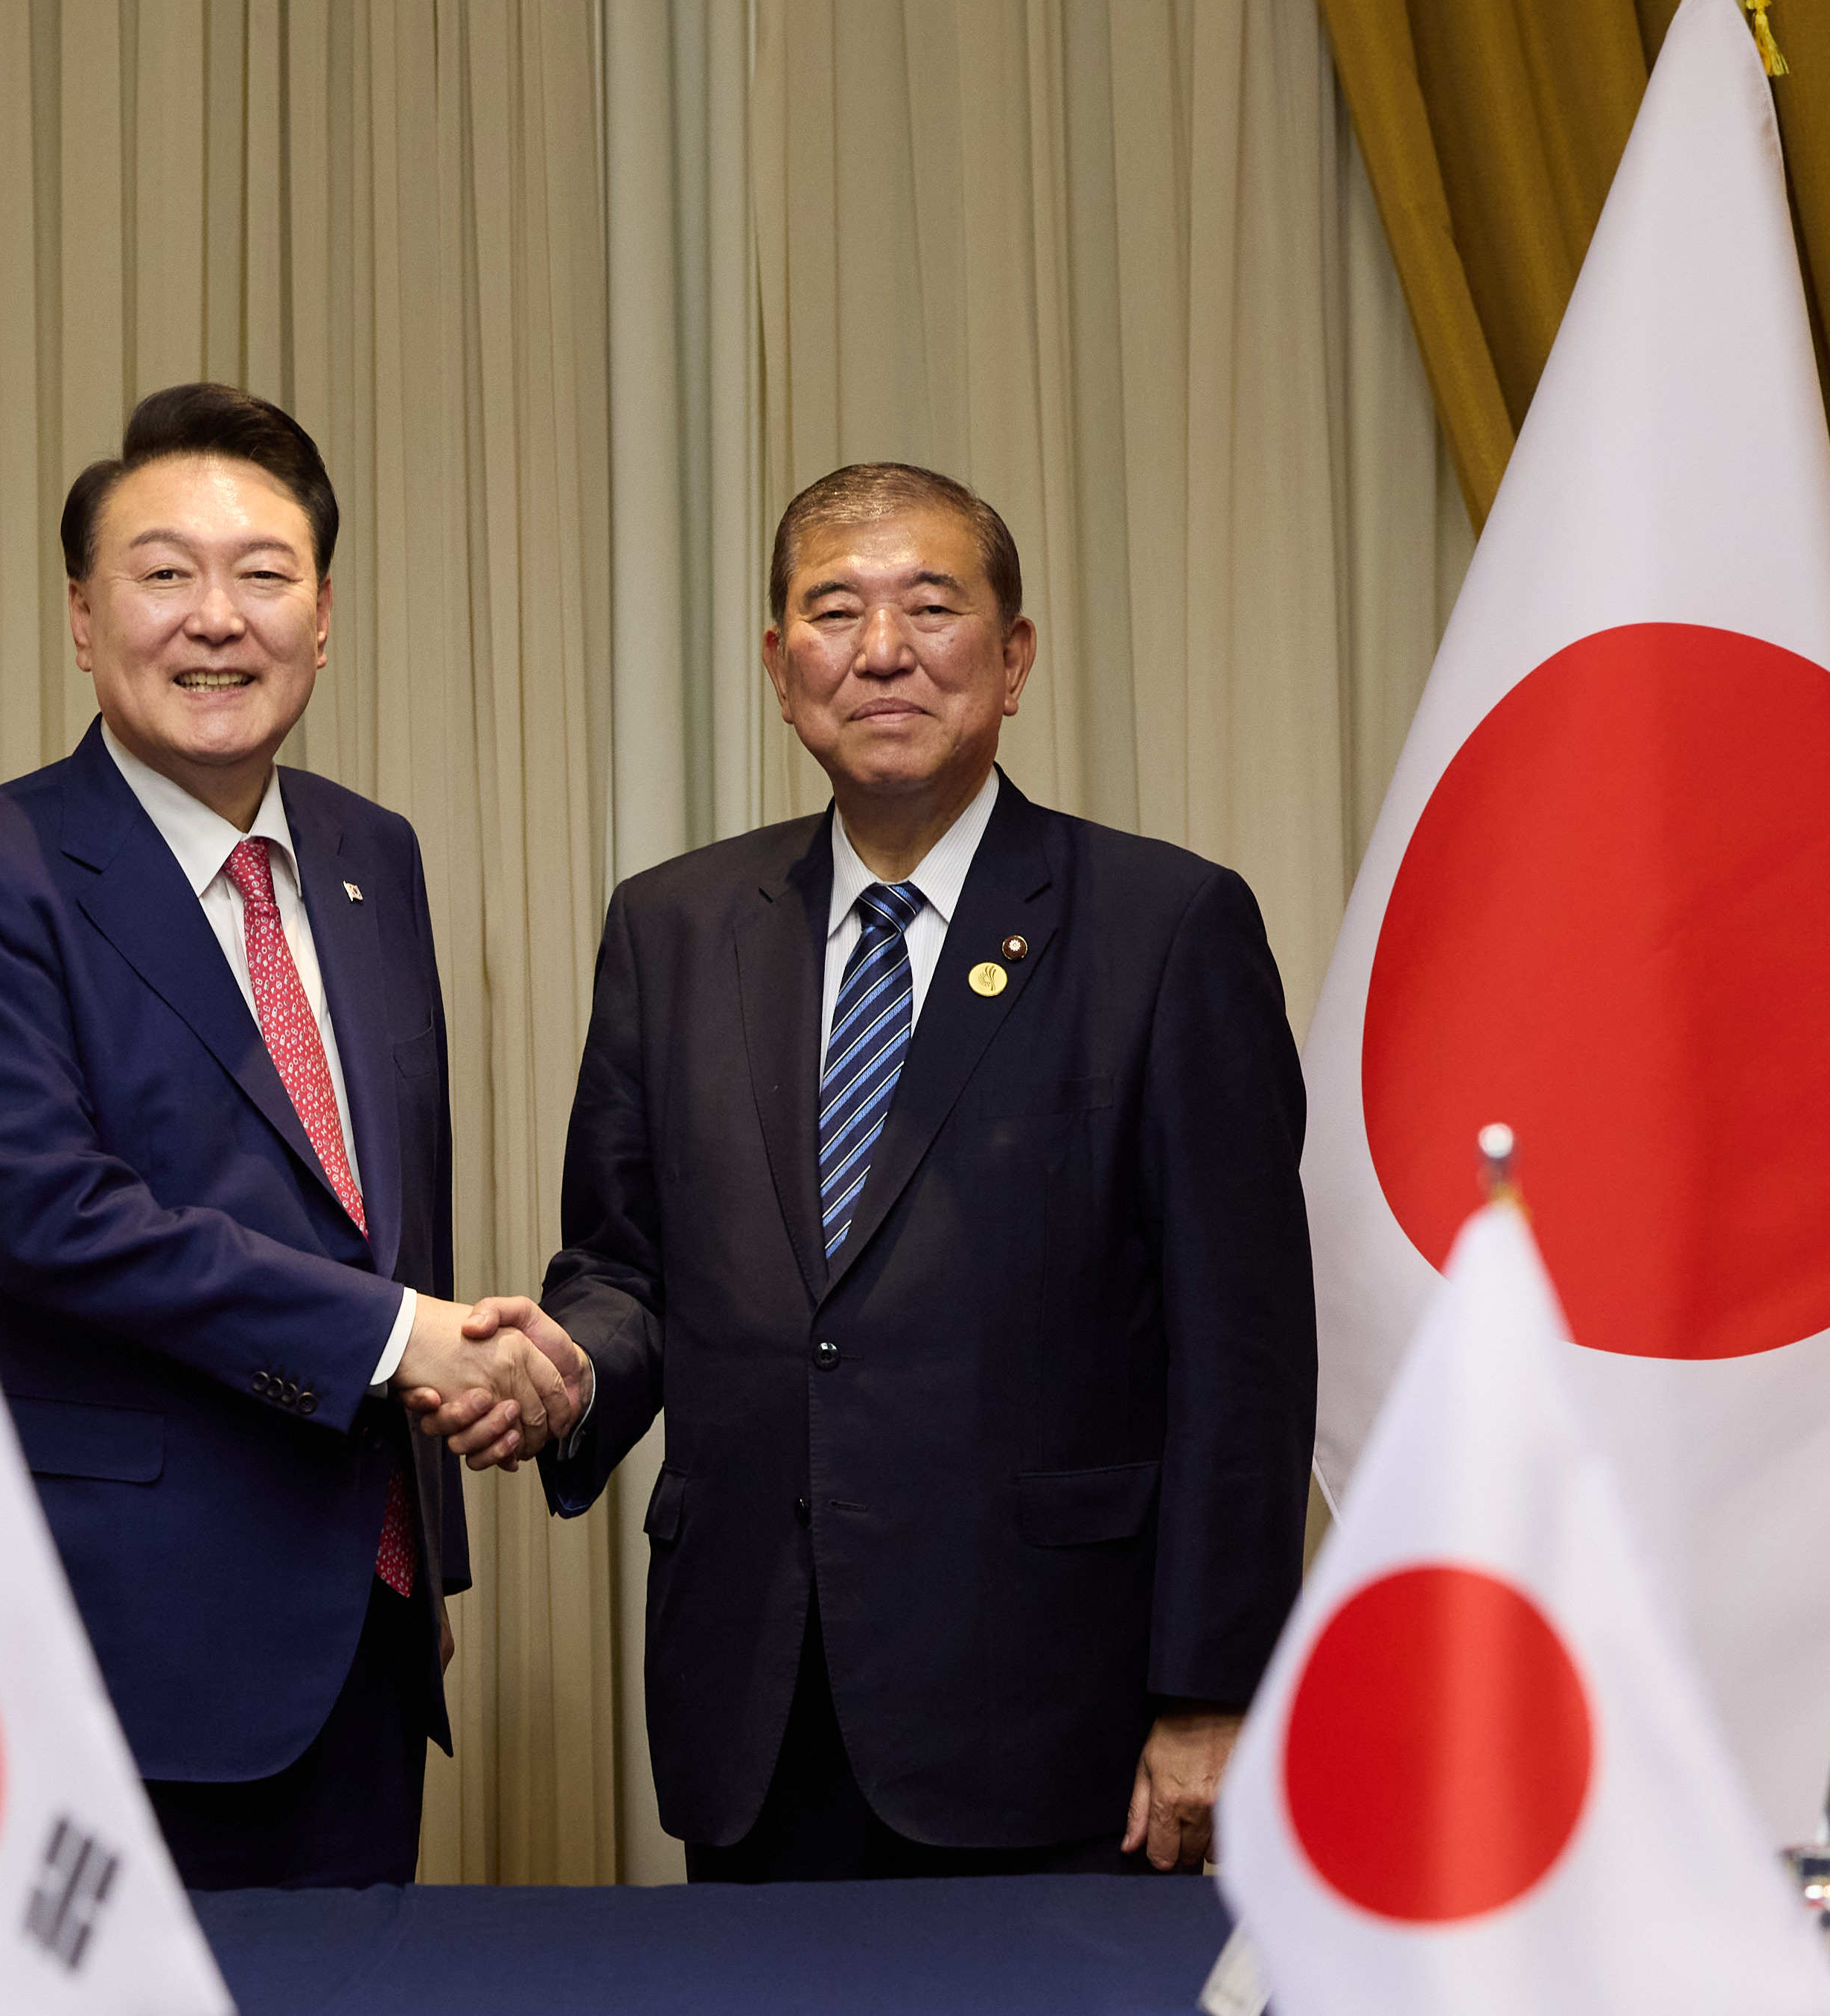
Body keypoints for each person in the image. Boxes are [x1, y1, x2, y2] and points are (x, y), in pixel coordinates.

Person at [427, 462, 1315, 1880]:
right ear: (782, 671)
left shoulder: (1166, 927)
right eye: (833, 612)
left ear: (1013, 658)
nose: (883, 650)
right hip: (757, 1705)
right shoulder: (675, 927)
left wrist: (1212, 1694)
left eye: (930, 607)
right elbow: (621, 1264)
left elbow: (1245, 1351)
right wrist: (574, 1370)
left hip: (1054, 1716)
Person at [0, 383, 573, 1889]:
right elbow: (49, 1215)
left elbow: (383, 1215)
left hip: (365, 1634)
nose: (218, 619)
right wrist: (408, 1341)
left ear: (323, 619)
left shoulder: (370, 856)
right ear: (81, 615)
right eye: (164, 573)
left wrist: (416, 1541)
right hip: (122, 1646)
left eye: (264, 575)